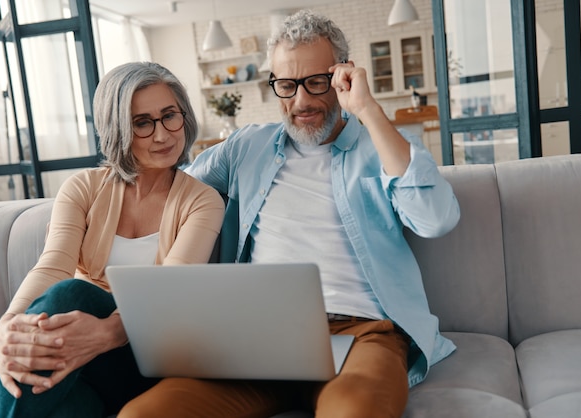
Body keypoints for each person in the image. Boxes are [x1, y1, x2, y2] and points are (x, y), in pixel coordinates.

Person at [119, 9, 460, 418]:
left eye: (316, 82)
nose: (301, 101)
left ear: (342, 76)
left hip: (361, 334)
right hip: (258, 338)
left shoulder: (380, 145)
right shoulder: (247, 147)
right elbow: (172, 187)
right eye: (286, 84)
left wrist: (368, 110)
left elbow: (435, 218)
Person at [0, 62, 225, 418]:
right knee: (60, 407)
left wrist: (110, 332)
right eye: (142, 123)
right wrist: (7, 326)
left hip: (149, 356)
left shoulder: (202, 200)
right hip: (79, 362)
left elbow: (171, 287)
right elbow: (53, 264)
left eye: (170, 115)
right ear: (117, 128)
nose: (163, 134)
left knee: (72, 294)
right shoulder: (84, 187)